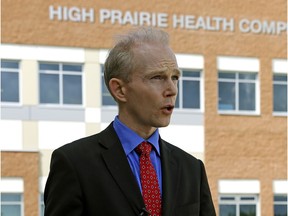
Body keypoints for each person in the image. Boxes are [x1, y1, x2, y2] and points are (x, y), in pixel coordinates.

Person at [44, 27, 216, 216]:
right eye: (157, 77)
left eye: (174, 77)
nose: (172, 89)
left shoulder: (192, 168)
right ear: (120, 90)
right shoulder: (74, 163)